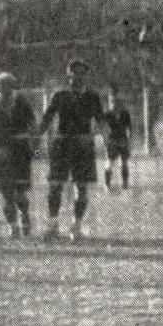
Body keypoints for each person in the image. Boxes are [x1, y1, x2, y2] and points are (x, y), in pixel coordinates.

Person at [35, 58, 105, 241]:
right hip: (62, 144)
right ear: (69, 74)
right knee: (55, 186)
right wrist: (36, 138)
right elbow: (47, 118)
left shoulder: (92, 97)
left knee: (81, 187)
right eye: (76, 73)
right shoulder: (60, 96)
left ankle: (76, 226)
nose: (79, 77)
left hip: (83, 146)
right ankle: (52, 225)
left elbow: (101, 120)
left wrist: (108, 142)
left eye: (83, 73)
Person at [0, 72, 35, 238]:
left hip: (20, 151)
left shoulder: (22, 104)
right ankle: (13, 226)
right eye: (2, 86)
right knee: (7, 193)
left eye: (9, 85)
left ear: (13, 87)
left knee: (21, 191)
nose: (5, 89)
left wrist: (32, 147)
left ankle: (25, 218)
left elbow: (33, 125)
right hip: (1, 153)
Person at [102, 95, 132, 191]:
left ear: (120, 104)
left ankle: (125, 183)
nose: (114, 104)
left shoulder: (125, 114)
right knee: (109, 163)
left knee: (124, 163)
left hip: (123, 141)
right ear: (110, 103)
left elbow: (130, 128)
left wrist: (129, 140)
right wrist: (105, 139)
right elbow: (101, 127)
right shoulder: (107, 114)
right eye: (112, 102)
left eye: (116, 102)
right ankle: (107, 184)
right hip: (112, 141)